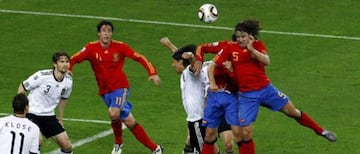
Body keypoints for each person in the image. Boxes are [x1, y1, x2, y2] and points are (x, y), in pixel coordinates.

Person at [208, 19, 337, 154]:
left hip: (266, 90)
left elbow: (267, 61)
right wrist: (212, 82)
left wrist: (252, 50)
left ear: (250, 36)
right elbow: (212, 65)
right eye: (238, 36)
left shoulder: (257, 45)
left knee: (292, 112)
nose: (240, 39)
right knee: (245, 133)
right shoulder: (230, 48)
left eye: (243, 36)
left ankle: (320, 131)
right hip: (247, 96)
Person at [69, 20, 163, 154]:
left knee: (113, 113)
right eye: (104, 31)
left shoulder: (120, 46)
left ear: (112, 33)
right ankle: (156, 148)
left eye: (109, 31)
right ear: (99, 33)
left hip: (121, 87)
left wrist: (152, 72)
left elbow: (139, 57)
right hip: (105, 91)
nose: (106, 34)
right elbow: (74, 58)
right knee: (129, 121)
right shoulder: (91, 48)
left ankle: (118, 144)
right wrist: (69, 70)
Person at [160, 37, 236, 154]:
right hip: (208, 111)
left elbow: (188, 62)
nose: (172, 65)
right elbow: (182, 58)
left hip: (208, 112)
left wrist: (189, 56)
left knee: (210, 147)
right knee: (202, 144)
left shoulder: (194, 71)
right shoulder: (197, 68)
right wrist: (170, 45)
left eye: (174, 62)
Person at [17, 51, 73, 154]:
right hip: (31, 114)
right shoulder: (42, 76)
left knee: (67, 147)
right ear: (55, 64)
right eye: (61, 61)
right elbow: (22, 87)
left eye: (67, 61)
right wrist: (22, 110)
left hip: (49, 116)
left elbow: (63, 99)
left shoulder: (68, 81)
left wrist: (60, 119)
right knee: (37, 141)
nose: (65, 64)